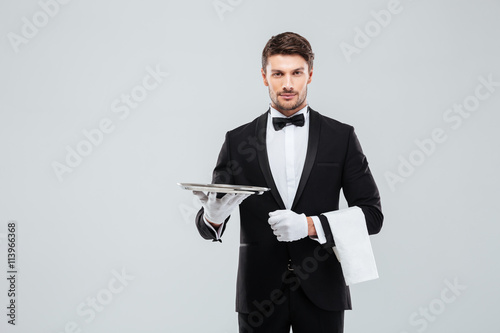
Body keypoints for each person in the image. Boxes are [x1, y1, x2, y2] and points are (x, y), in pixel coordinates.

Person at [193, 32, 383, 333]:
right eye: (278, 74)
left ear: (310, 74)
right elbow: (209, 223)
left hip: (323, 291)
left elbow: (372, 215)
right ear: (264, 76)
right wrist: (213, 218)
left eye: (297, 73)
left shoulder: (341, 137)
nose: (288, 84)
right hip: (258, 295)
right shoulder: (237, 141)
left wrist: (309, 225)